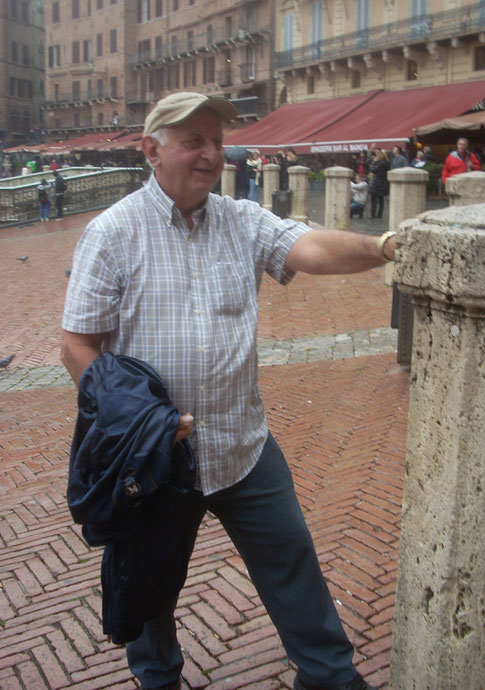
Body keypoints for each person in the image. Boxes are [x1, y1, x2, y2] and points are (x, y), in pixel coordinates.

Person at [61, 91, 396, 690]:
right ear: (151, 150)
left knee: (293, 565)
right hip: (156, 459)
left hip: (243, 444)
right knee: (149, 587)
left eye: (217, 140)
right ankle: (158, 679)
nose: (212, 153)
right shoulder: (111, 234)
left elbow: (310, 246)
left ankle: (331, 679)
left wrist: (384, 247)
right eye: (194, 140)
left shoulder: (242, 221)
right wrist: (134, 422)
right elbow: (78, 345)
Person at [368, 149, 390, 219]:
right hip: (383, 183)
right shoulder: (386, 163)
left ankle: (373, 214)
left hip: (377, 183)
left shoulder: (380, 163)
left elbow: (373, 169)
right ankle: (379, 215)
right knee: (381, 199)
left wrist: (373, 162)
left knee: (373, 199)